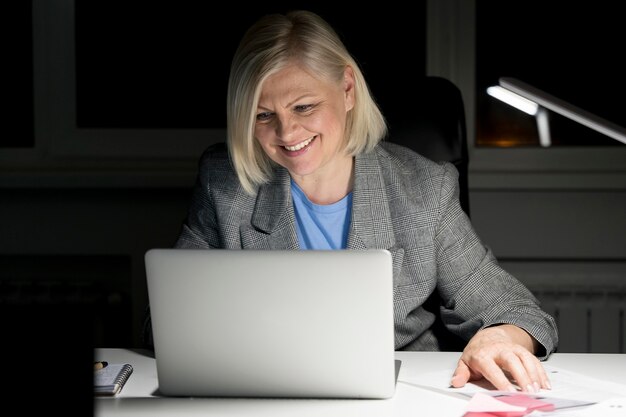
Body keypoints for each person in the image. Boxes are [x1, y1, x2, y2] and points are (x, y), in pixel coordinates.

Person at [143, 10, 558, 393]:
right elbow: (167, 323)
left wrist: (497, 337)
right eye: (263, 115)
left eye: (303, 106)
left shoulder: (425, 190)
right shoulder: (225, 184)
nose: (287, 133)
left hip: (396, 400)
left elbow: (517, 309)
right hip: (265, 395)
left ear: (346, 90)